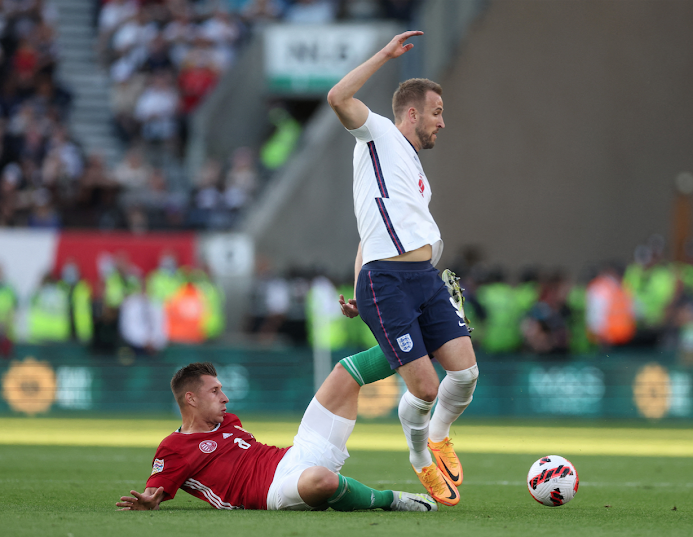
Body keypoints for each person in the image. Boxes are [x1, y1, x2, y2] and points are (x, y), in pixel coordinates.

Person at [327, 31, 479, 506]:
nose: (443, 122)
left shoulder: (409, 166)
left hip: (424, 280)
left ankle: (438, 436)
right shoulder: (377, 133)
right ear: (411, 113)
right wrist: (386, 56)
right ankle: (419, 459)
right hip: (388, 283)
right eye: (437, 112)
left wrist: (356, 280)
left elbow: (366, 231)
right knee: (427, 386)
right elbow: (337, 96)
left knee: (466, 375)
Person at [115, 359, 437, 513]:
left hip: (295, 453)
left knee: (345, 373)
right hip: (272, 493)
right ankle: (390, 500)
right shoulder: (174, 447)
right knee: (322, 481)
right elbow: (154, 491)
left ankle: (417, 341)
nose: (225, 397)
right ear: (191, 399)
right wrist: (148, 499)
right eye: (215, 391)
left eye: (223, 389)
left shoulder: (228, 420)